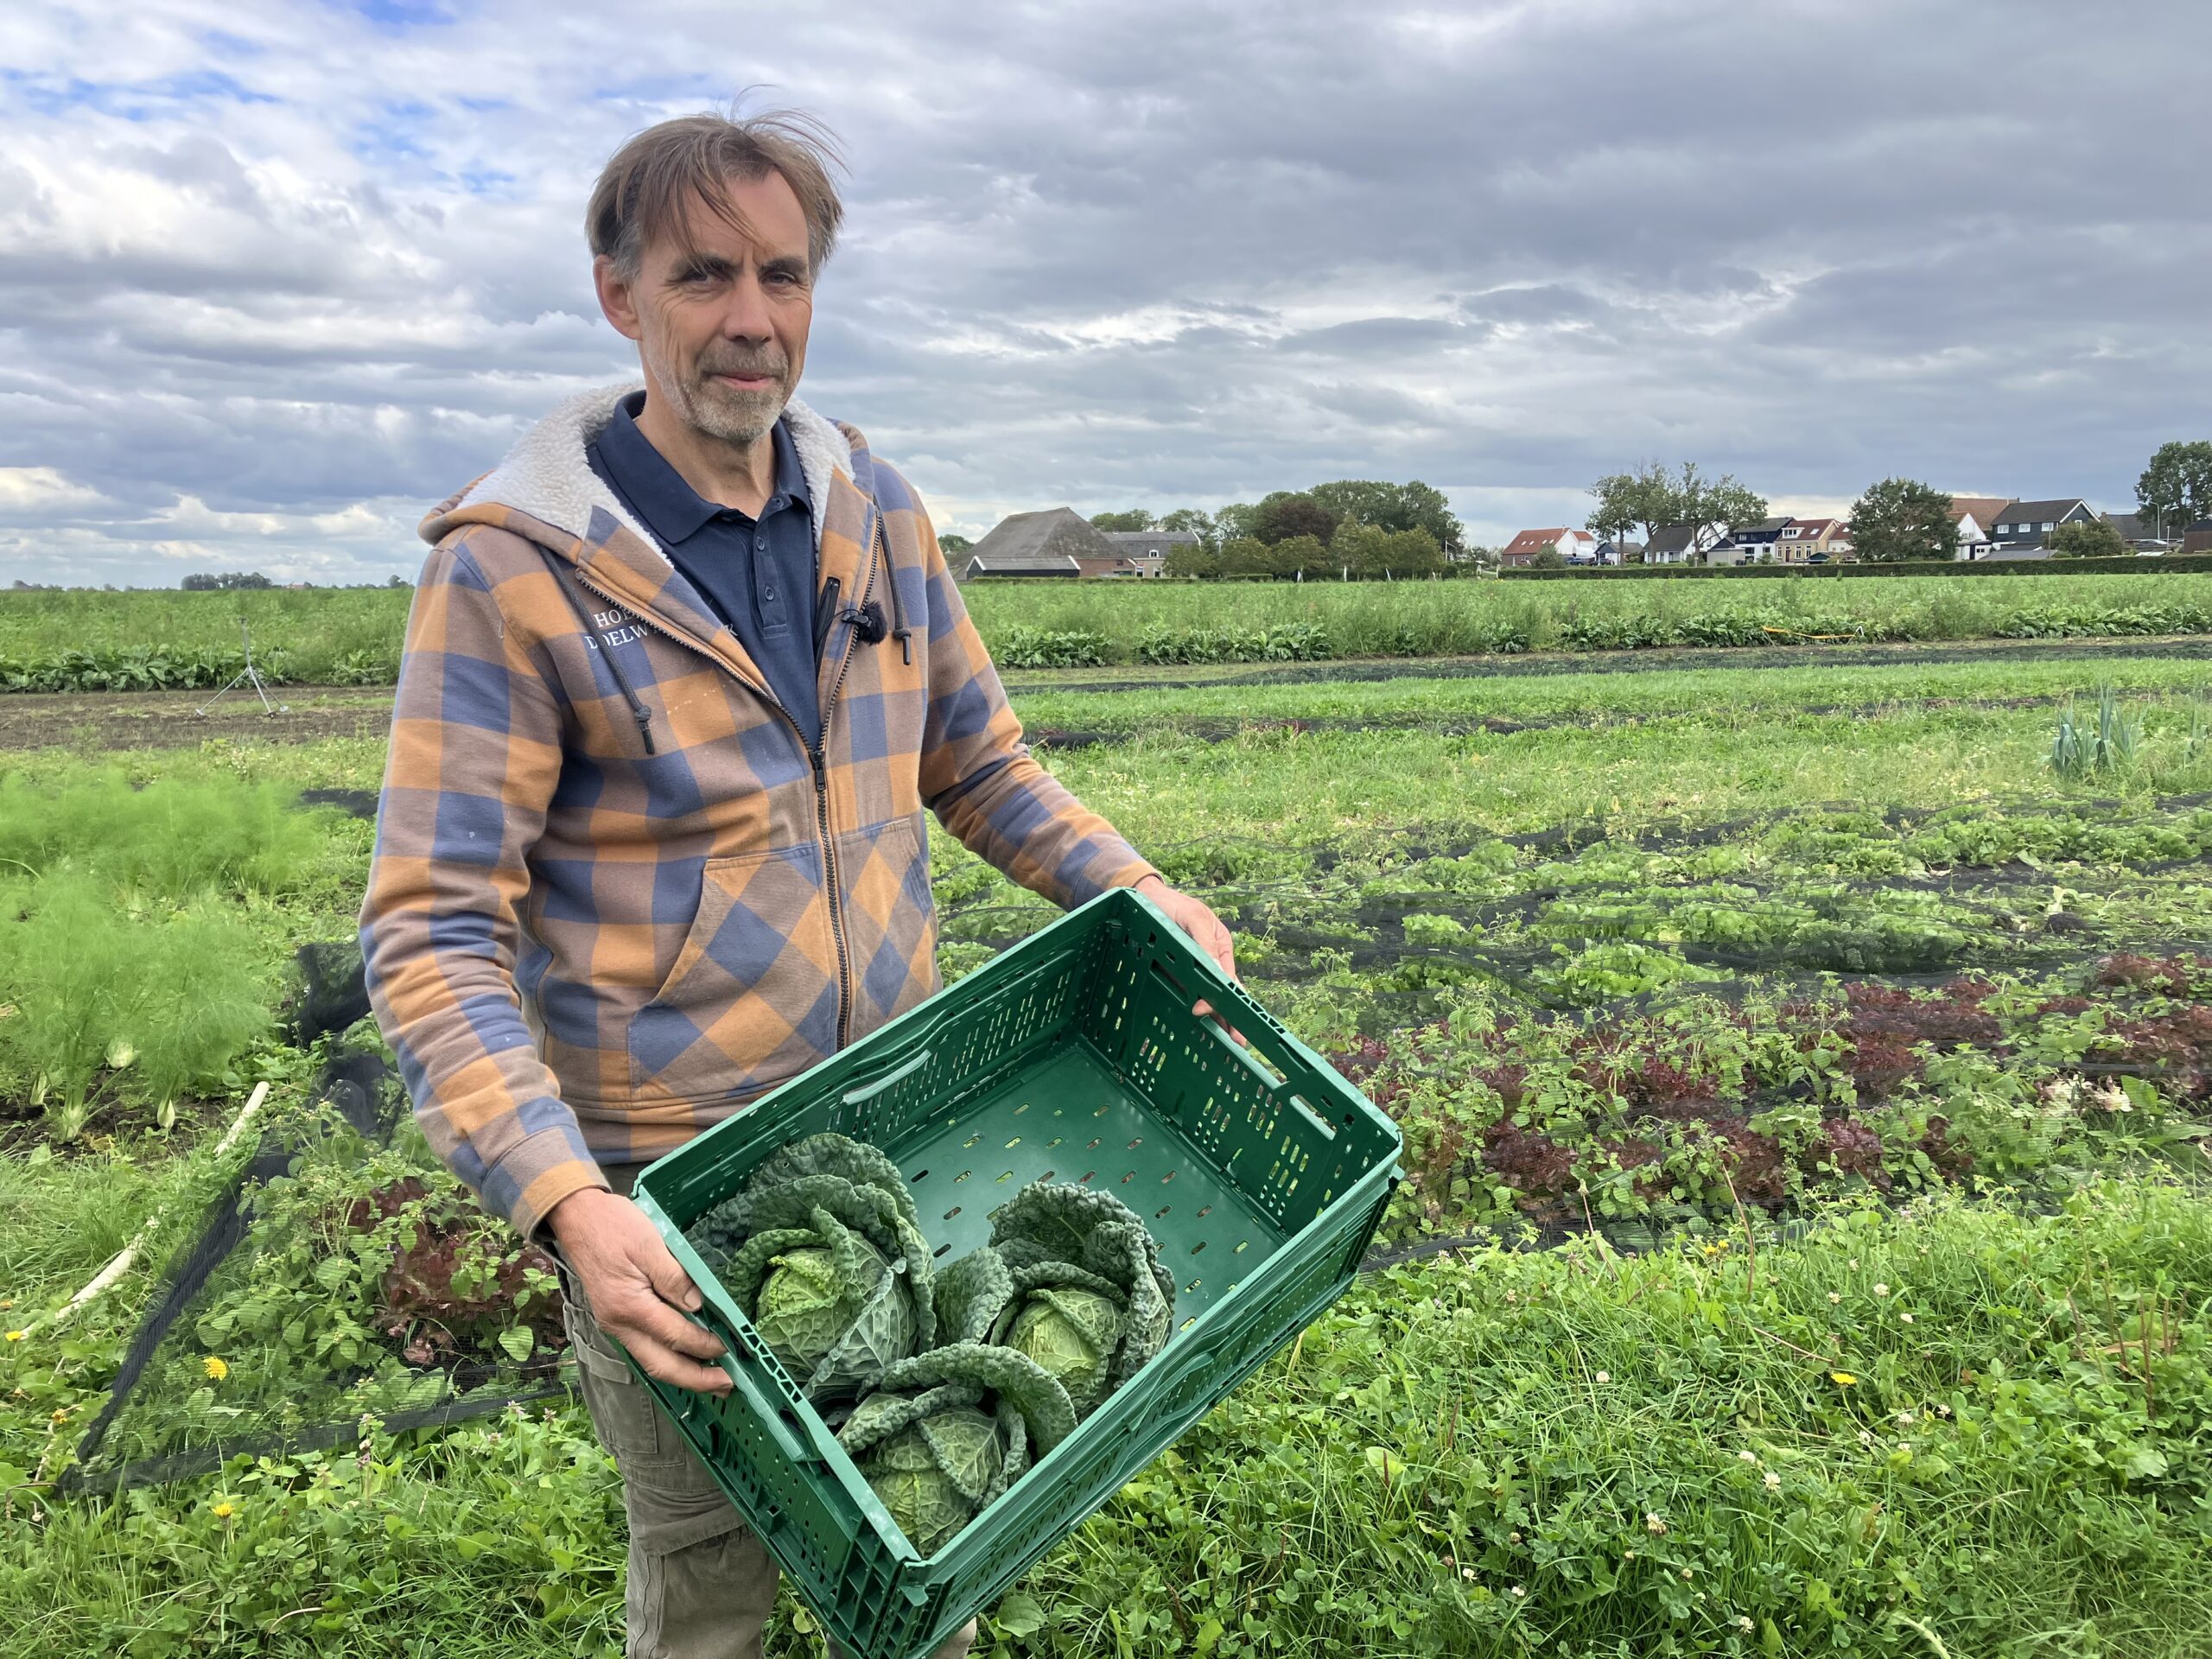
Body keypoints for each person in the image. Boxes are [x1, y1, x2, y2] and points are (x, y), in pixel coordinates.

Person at [357, 106, 1234, 1659]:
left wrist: (1133, 885)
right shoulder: (515, 572)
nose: (751, 321)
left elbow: (979, 761)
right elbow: (435, 930)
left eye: (783, 274)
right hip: (673, 1194)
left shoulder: (874, 514)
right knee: (711, 1579)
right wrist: (564, 1200)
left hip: (908, 1131)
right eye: (704, 277)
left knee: (925, 1536)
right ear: (622, 295)